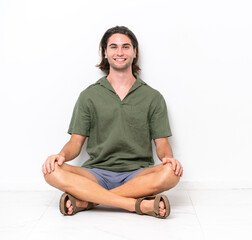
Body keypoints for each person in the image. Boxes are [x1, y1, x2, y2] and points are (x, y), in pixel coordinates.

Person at [42, 26, 183, 219]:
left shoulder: (153, 97)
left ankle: (87, 201)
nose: (119, 52)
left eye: (126, 47)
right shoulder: (89, 95)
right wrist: (61, 156)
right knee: (52, 171)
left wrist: (168, 158)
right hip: (96, 174)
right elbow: (75, 142)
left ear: (135, 52)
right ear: (105, 53)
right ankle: (135, 204)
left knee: (171, 173)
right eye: (113, 47)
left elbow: (162, 143)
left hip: (138, 174)